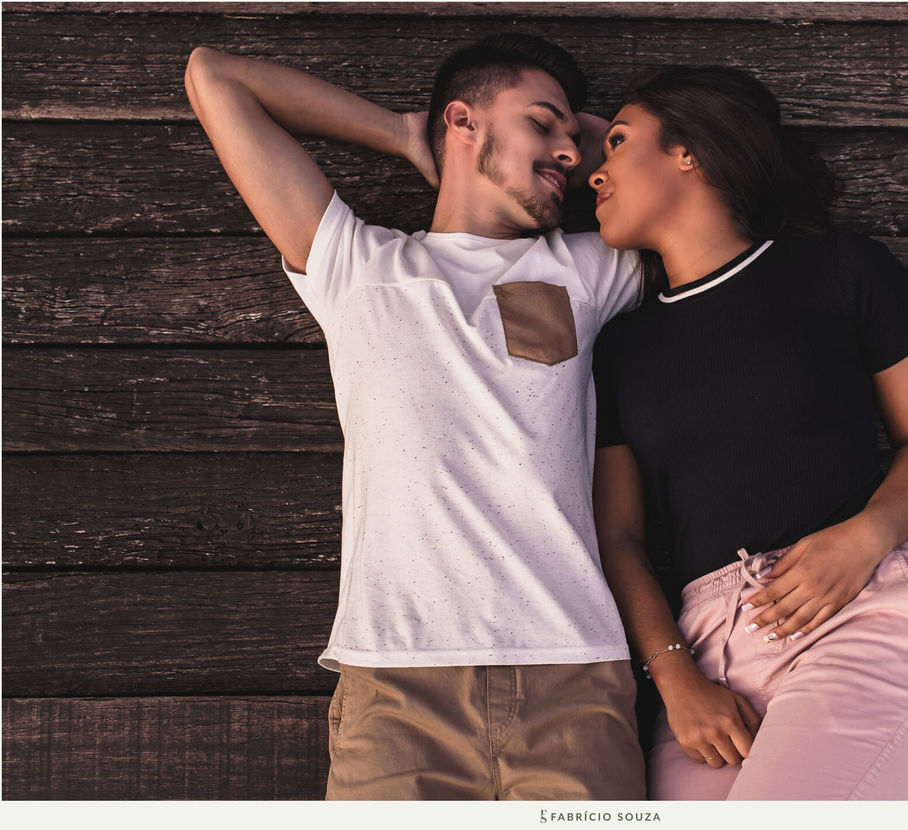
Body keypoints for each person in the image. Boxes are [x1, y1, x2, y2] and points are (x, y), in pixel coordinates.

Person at [184, 34, 646, 800]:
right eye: (543, 123)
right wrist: (404, 132)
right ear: (464, 122)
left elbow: (704, 186)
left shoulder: (590, 270)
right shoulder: (354, 264)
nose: (568, 151)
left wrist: (586, 139)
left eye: (576, 136)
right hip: (398, 690)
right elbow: (215, 75)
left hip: (574, 676)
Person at [588, 66, 908, 800]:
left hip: (856, 613)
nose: (594, 174)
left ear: (689, 152)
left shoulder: (842, 271)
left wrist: (867, 536)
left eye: (616, 142)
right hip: (704, 663)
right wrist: (672, 675)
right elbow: (621, 538)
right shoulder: (620, 348)